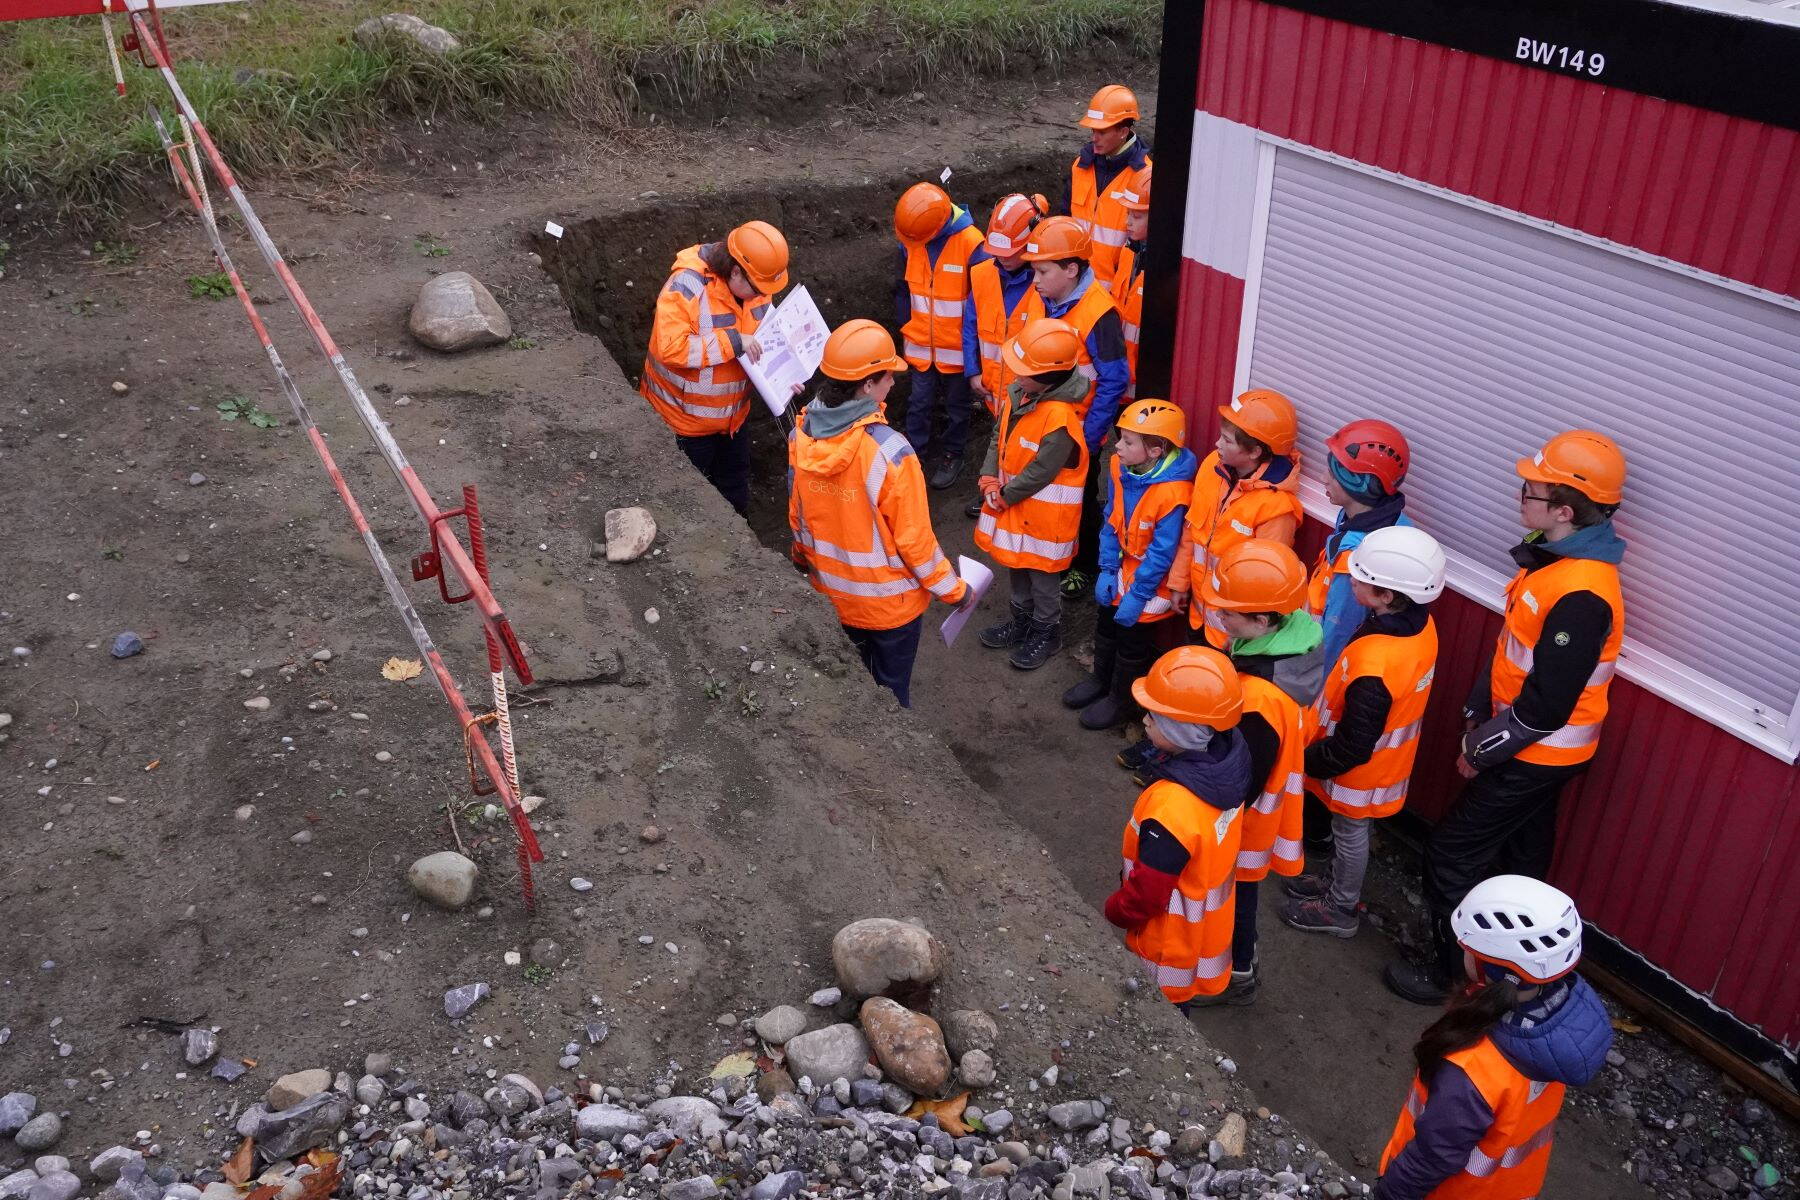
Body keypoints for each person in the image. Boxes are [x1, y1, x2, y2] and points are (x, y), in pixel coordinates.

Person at [1386, 432, 1627, 1006]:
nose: (1521, 495)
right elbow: (1515, 654)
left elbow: (1546, 707)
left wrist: (1479, 750)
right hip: (1538, 751)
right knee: (1523, 855)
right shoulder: (1557, 562)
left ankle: (1448, 974)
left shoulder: (1583, 593)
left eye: (1531, 490)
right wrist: (1478, 710)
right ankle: (1517, 973)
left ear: (1564, 511)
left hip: (1539, 755)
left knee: (1448, 854)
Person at [1375, 874, 1612, 1200]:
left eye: (1467, 948)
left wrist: (1388, 1194)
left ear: (1492, 969)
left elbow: (1433, 1156)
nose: (1461, 952)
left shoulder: (1472, 1068)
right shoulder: (1564, 1026)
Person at [788, 319, 972, 708]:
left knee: (850, 693)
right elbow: (914, 541)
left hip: (832, 598)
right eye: (888, 376)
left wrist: (803, 559)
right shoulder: (890, 452)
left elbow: (798, 515)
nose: (893, 382)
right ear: (867, 386)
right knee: (890, 702)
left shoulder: (800, 437)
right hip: (890, 609)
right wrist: (955, 592)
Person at [1179, 539, 1323, 1006]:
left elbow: (1245, 775)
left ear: (1263, 620)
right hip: (1260, 811)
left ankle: (1235, 975)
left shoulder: (1260, 698)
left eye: (1231, 614)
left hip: (1245, 820)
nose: (1220, 619)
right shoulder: (1295, 635)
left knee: (1232, 899)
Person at [1282, 526, 1445, 939]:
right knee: (1349, 833)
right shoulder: (1420, 627)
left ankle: (1340, 908)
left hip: (1360, 772)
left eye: (1361, 578)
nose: (1351, 580)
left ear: (1387, 596)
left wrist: (1308, 760)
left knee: (1350, 832)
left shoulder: (1376, 663)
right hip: (1383, 764)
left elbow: (1354, 744)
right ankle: (1337, 885)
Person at [1104, 646, 1250, 1009]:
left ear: (1183, 732)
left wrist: (1116, 909)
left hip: (1166, 948)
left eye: (1156, 716)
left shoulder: (1172, 807)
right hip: (1205, 935)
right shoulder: (1230, 761)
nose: (1146, 721)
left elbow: (1148, 895)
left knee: (1157, 1018)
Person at [1303, 418, 1413, 855]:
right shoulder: (1371, 525)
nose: (1325, 478)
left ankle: (1311, 838)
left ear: (1360, 482)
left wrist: (1307, 685)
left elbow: (1336, 633)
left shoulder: (1362, 557)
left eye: (1333, 471)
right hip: (1325, 667)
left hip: (1324, 677)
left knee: (1314, 761)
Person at [639, 219, 790, 516]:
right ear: (736, 272)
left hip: (733, 421)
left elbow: (765, 340)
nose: (763, 295)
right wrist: (733, 342)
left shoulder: (757, 283)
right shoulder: (687, 286)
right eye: (758, 288)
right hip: (685, 425)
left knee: (734, 494)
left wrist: (784, 378)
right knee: (688, 506)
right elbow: (669, 348)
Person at [1062, 399, 1196, 730]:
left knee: (1132, 637)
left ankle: (1120, 701)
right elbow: (1111, 519)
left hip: (1152, 580)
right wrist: (1107, 569)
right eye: (1120, 438)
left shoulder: (1174, 492)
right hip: (1121, 567)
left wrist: (1139, 592)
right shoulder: (1121, 469)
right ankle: (1100, 682)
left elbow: (1163, 551)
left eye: (1127, 441)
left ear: (1155, 450)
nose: (1118, 446)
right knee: (1106, 620)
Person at [1017, 215, 1131, 598]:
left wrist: (1091, 436)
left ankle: (1081, 566)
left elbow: (1114, 379)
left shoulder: (1099, 314)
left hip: (1077, 432)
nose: (1034, 280)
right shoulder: (1044, 298)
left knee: (1076, 501)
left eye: (1042, 271)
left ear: (1071, 268)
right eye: (1033, 270)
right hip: (1040, 423)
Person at [973, 319, 1090, 671]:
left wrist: (1004, 493)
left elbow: (1042, 471)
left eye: (1023, 371)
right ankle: (1022, 622)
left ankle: (1046, 631)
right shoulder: (1019, 394)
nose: (1015, 374)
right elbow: (999, 436)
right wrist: (989, 478)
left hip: (1044, 522)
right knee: (1016, 564)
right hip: (1015, 507)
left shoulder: (1060, 420)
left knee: (1042, 578)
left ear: (1048, 379)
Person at [1168, 390, 1304, 647]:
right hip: (1197, 616)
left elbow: (1265, 584)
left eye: (1227, 440)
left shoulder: (1276, 508)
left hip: (1233, 638)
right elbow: (1192, 532)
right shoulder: (1212, 467)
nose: (1217, 443)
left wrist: (1242, 638)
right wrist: (1178, 582)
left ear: (1253, 451)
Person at [894, 182, 988, 491]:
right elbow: (902, 292)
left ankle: (952, 454)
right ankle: (913, 456)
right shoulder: (911, 238)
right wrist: (905, 326)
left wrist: (975, 357)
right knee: (918, 403)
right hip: (921, 347)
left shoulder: (973, 245)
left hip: (958, 352)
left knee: (957, 408)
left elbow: (983, 306)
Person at [962, 192, 1049, 519]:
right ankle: (993, 492)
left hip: (1029, 391)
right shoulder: (983, 274)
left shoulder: (1044, 282)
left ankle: (1017, 499)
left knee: (1025, 448)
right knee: (999, 443)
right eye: (997, 251)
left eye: (1009, 252)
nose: (1003, 258)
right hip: (993, 389)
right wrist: (972, 371)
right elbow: (971, 325)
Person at [1062, 83, 1152, 286]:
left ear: (1123, 132)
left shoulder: (1145, 178)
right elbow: (1065, 219)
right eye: (1093, 130)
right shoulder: (1080, 166)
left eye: (1102, 132)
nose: (1094, 138)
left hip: (1114, 296)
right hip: (1072, 288)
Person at [1107, 163, 1151, 392]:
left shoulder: (1164, 269)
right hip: (1121, 376)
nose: (1128, 222)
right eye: (1127, 214)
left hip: (1141, 384)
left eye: (1136, 216)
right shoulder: (1128, 252)